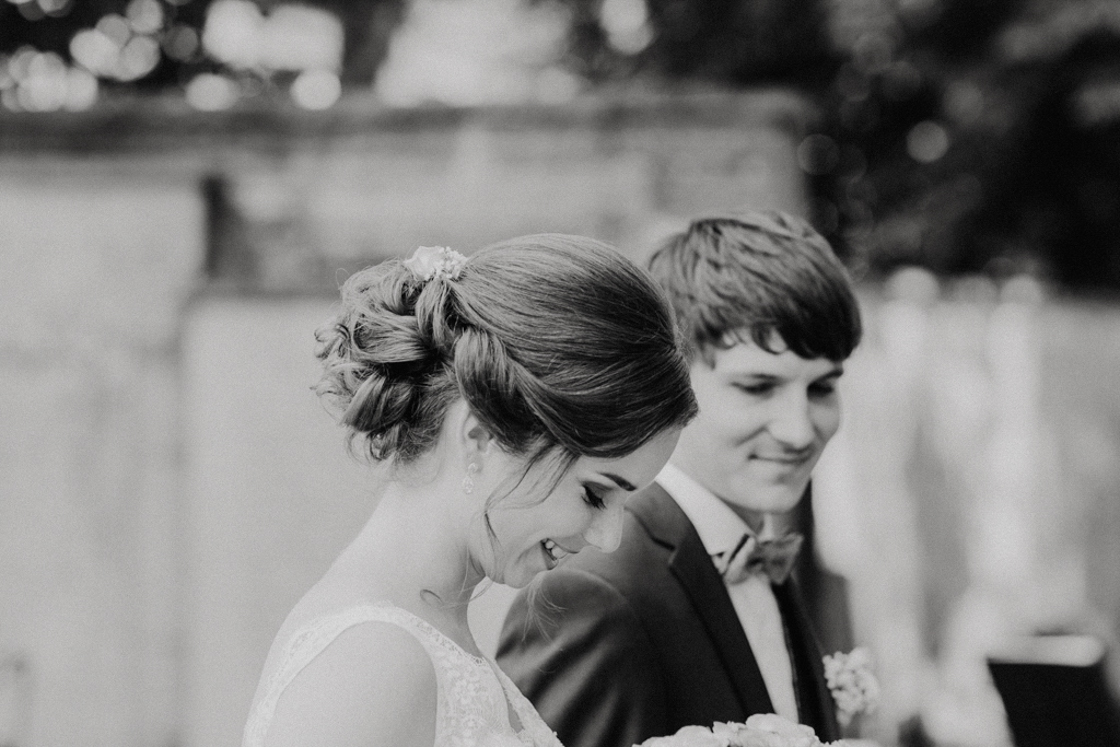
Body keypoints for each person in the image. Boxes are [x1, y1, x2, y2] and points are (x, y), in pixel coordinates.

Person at [240, 235, 697, 747]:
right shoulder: (370, 662)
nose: (608, 538)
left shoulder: (426, 636)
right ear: (480, 437)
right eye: (594, 493)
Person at [496, 211, 863, 747]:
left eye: (823, 388)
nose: (799, 430)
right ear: (673, 382)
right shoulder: (595, 591)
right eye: (758, 387)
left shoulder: (764, 552)